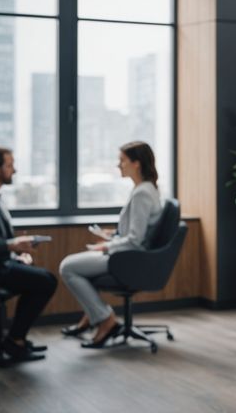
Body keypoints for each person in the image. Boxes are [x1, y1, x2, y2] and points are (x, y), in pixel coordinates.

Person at [59, 141, 163, 348]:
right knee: (75, 266)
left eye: (122, 160)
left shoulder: (142, 193)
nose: (118, 165)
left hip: (128, 258)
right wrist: (113, 235)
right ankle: (93, 316)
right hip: (127, 254)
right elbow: (136, 232)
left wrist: (106, 246)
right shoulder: (145, 189)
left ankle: (104, 319)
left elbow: (135, 239)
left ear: (136, 163)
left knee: (68, 267)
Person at [0, 147, 58, 362]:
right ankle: (15, 340)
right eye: (9, 165)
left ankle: (16, 339)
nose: (14, 170)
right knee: (46, 281)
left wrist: (17, 254)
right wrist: (11, 246)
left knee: (41, 278)